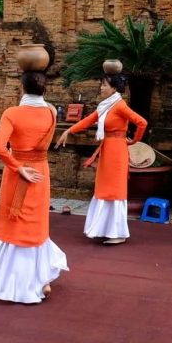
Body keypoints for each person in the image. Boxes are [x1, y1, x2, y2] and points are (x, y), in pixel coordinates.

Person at [0, 71, 68, 304]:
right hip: (41, 171)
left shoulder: (12, 113)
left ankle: (25, 282)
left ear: (21, 88)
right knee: (36, 221)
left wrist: (18, 167)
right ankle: (42, 278)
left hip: (19, 172)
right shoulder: (51, 112)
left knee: (17, 223)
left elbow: (0, 147)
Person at [56, 74, 147, 245]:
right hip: (108, 149)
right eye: (102, 84)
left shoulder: (120, 105)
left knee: (115, 190)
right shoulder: (105, 106)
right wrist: (69, 131)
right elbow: (89, 120)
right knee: (103, 189)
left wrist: (134, 140)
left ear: (114, 88)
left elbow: (142, 122)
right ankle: (103, 229)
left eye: (104, 85)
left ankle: (117, 233)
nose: (101, 88)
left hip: (117, 150)